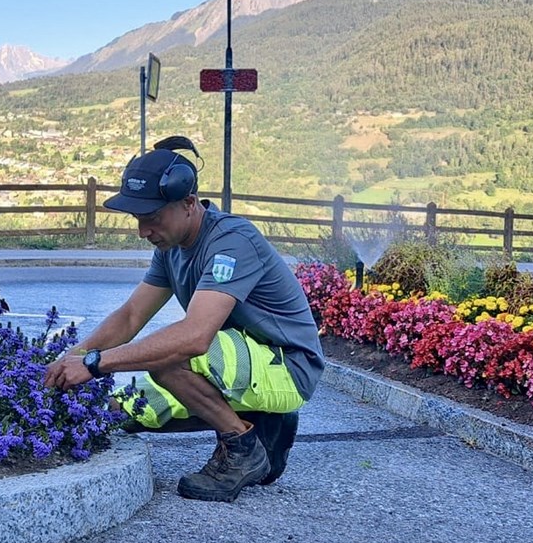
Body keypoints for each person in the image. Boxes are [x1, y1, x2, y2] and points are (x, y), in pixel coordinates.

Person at [44, 136, 324, 503]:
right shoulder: (171, 247)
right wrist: (71, 359)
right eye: (138, 220)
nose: (144, 231)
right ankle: (262, 423)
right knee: (124, 412)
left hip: (287, 366)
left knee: (173, 358)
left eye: (153, 218)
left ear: (189, 203)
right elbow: (130, 317)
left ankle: (242, 450)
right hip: (242, 363)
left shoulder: (231, 241)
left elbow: (194, 337)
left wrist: (95, 364)